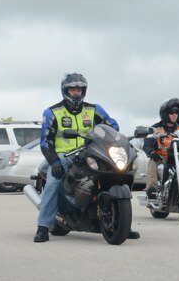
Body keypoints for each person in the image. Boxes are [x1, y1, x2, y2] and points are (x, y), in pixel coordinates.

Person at [33, 73, 135, 242]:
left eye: (79, 89)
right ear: (65, 91)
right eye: (72, 89)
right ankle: (43, 226)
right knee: (53, 182)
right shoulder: (53, 112)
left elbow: (112, 125)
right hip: (65, 155)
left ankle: (122, 222)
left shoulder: (94, 109)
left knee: (118, 174)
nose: (76, 92)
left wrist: (113, 132)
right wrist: (55, 161)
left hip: (90, 150)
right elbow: (45, 142)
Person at [142, 98, 179, 197]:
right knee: (152, 160)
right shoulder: (155, 128)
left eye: (176, 112)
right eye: (171, 112)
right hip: (162, 158)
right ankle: (152, 189)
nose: (174, 115)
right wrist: (151, 152)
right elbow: (147, 144)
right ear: (165, 114)